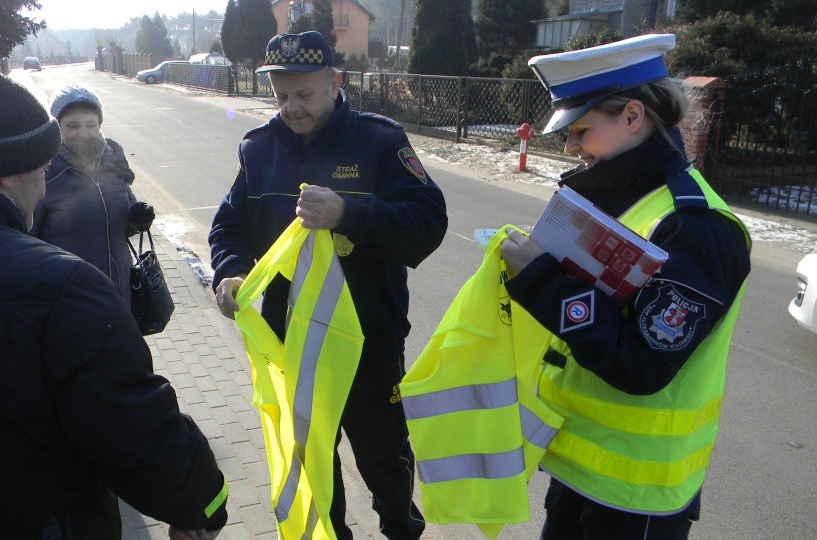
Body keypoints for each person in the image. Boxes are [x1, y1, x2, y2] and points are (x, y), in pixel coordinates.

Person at [0, 64, 227, 539]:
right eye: (40, 162)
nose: (46, 179)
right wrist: (204, 505)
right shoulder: (63, 287)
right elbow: (136, 430)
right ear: (9, 172)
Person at [501, 35, 752, 539]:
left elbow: (642, 364)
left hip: (636, 497)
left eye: (581, 130)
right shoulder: (625, 196)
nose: (570, 147)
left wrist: (540, 280)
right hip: (581, 468)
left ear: (633, 116)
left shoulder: (696, 226)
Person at [209, 31, 447, 540]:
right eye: (280, 95)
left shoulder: (380, 141)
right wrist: (230, 269)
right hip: (291, 347)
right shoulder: (259, 148)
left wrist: (349, 214)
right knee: (314, 463)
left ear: (335, 83)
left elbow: (428, 224)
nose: (291, 108)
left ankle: (401, 529)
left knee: (384, 458)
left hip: (369, 345)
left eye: (304, 94)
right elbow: (227, 225)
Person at [30, 83, 155, 305]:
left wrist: (137, 221)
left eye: (90, 124)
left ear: (99, 125)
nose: (83, 133)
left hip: (120, 290)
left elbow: (125, 229)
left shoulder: (113, 164)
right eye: (73, 126)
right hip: (70, 295)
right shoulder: (46, 174)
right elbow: (27, 241)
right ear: (57, 126)